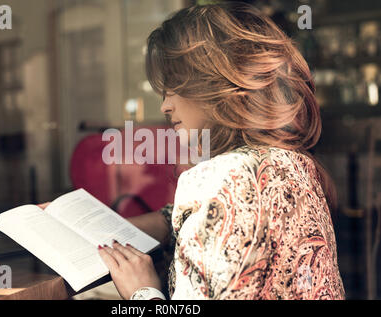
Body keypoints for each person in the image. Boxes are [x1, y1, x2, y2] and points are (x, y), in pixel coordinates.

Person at [45, 2, 346, 300]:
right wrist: (100, 228)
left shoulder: (220, 178)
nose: (165, 106)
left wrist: (142, 291)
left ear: (211, 84)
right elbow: (200, 217)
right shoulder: (296, 164)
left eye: (172, 88)